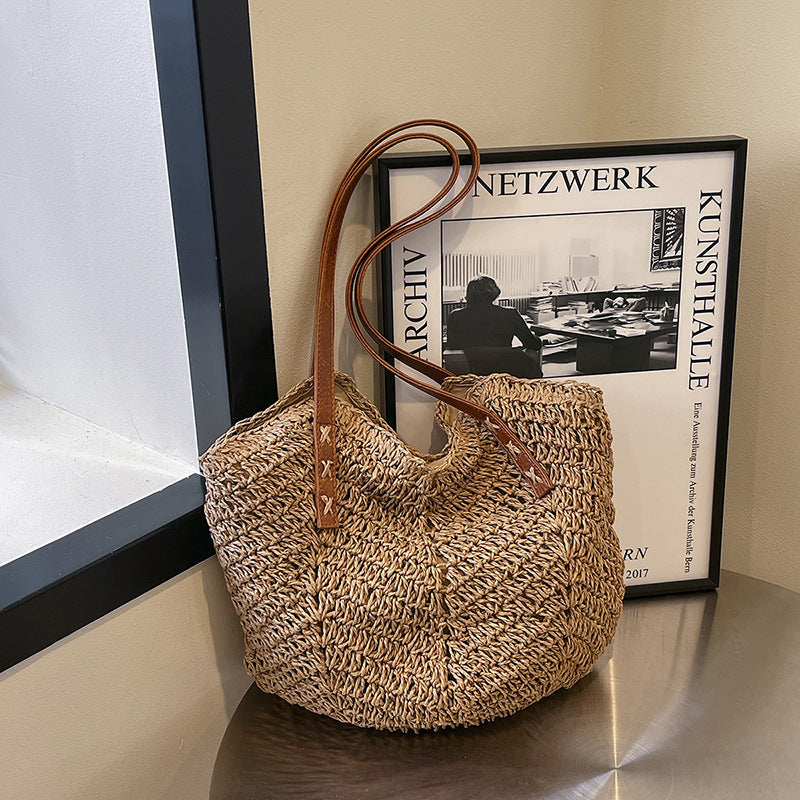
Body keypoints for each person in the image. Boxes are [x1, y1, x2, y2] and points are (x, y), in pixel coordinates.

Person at [446, 276, 542, 378]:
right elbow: (533, 344)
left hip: (468, 374)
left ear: (469, 295)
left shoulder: (455, 316)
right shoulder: (510, 314)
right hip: (505, 373)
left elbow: (452, 346)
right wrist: (537, 337)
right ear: (494, 294)